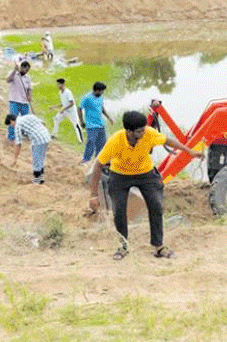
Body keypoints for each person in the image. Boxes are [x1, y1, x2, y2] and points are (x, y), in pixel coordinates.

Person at [88, 110, 204, 260]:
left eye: (144, 128)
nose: (144, 132)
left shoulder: (148, 133)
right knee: (119, 211)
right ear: (128, 131)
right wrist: (93, 195)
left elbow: (168, 141)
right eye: (139, 131)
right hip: (120, 176)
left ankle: (158, 247)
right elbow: (98, 166)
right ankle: (123, 247)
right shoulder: (115, 141)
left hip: (145, 174)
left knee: (156, 205)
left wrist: (190, 152)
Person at [6, 113, 51, 184]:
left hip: (38, 139)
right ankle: (41, 178)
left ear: (12, 121)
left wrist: (15, 159)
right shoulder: (28, 116)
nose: (12, 126)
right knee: (41, 158)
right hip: (46, 136)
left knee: (36, 159)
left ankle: (37, 180)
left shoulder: (18, 125)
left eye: (11, 125)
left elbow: (18, 144)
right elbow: (43, 123)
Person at [78, 81, 114, 165]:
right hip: (91, 125)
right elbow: (79, 108)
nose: (102, 93)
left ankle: (98, 160)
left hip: (101, 124)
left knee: (102, 143)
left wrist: (109, 118)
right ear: (97, 90)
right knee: (91, 142)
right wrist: (81, 121)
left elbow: (102, 108)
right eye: (101, 91)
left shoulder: (100, 97)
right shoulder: (87, 97)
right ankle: (86, 159)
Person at [6, 59, 34, 142]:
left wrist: (29, 97)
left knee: (25, 120)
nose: (26, 72)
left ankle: (24, 134)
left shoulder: (28, 78)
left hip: (24, 102)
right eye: (25, 69)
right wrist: (14, 70)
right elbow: (8, 80)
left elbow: (29, 89)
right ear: (21, 67)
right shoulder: (14, 74)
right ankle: (11, 137)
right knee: (13, 120)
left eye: (28, 70)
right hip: (14, 101)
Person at [50, 78, 83, 143]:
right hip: (65, 111)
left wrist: (63, 109)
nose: (57, 86)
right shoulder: (60, 92)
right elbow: (63, 103)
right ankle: (54, 134)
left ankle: (80, 140)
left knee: (76, 125)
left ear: (62, 84)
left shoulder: (68, 92)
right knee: (56, 119)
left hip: (71, 112)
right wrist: (54, 106)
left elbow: (72, 103)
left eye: (58, 84)